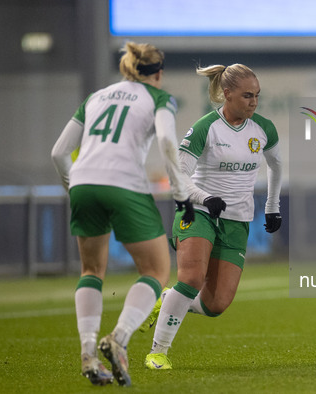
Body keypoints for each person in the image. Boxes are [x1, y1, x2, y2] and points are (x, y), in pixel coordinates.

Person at [51, 42, 194, 386]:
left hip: (83, 182)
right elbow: (166, 142)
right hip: (124, 184)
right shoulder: (159, 98)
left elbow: (58, 153)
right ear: (158, 73)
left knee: (91, 270)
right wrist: (181, 193)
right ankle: (119, 338)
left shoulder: (97, 97)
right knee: (157, 270)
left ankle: (88, 353)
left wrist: (75, 186)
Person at [142, 63, 283, 370]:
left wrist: (272, 206)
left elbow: (276, 165)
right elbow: (177, 173)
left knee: (216, 304)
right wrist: (205, 198)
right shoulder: (206, 127)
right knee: (191, 278)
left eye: (257, 96)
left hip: (237, 220)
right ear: (227, 93)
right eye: (247, 96)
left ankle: (169, 299)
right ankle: (158, 351)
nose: (253, 102)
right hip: (198, 211)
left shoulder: (263, 129)